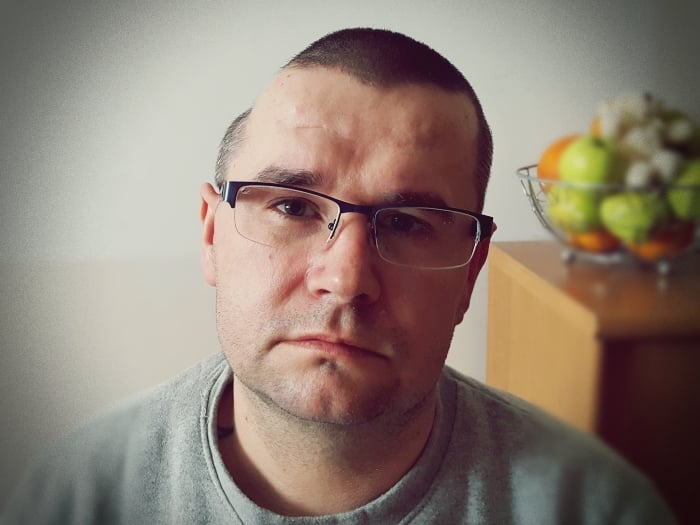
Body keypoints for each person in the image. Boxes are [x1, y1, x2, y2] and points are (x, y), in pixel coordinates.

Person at [1, 28, 676, 525]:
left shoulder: (596, 507)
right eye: (292, 207)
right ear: (211, 234)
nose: (347, 279)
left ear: (471, 271)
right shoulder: (73, 496)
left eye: (409, 222)